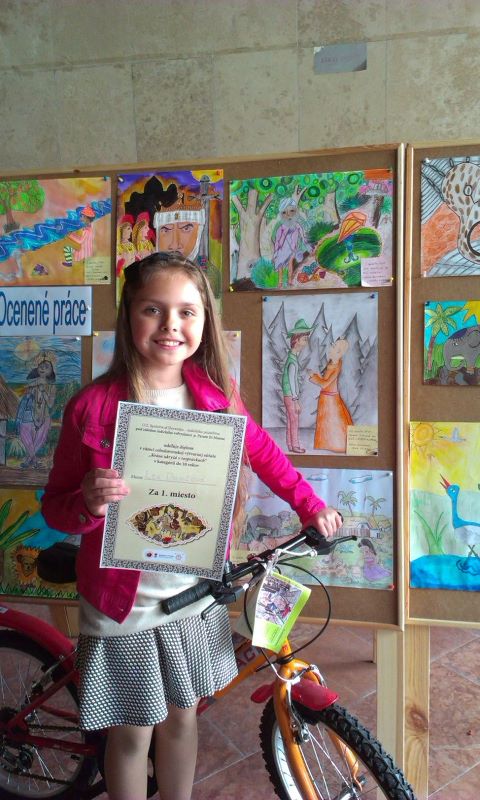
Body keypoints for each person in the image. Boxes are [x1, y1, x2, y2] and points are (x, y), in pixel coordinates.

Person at [41, 251, 341, 800]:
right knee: (132, 734)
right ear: (129, 315)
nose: (170, 325)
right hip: (123, 602)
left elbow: (266, 455)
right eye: (152, 309)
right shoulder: (92, 407)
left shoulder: (216, 397)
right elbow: (55, 508)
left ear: (205, 320)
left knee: (182, 717)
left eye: (186, 311)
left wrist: (309, 504)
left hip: (195, 592)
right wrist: (87, 502)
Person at [308, 337, 353, 453]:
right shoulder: (333, 362)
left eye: (334, 346)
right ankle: (326, 445)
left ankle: (336, 445)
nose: (331, 348)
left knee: (334, 422)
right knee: (326, 423)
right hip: (326, 397)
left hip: (330, 399)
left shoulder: (336, 365)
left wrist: (313, 377)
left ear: (339, 352)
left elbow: (324, 384)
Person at [16, 353, 56, 469]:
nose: (43, 368)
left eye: (46, 367)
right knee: (25, 435)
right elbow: (22, 393)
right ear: (37, 369)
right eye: (41, 366)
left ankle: (29, 460)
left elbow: (50, 404)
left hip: (44, 417)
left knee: (39, 439)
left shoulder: (52, 387)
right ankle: (34, 460)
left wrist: (43, 391)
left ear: (51, 371)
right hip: (29, 416)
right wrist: (34, 385)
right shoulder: (31, 384)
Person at [281, 318, 314, 453]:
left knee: (290, 420)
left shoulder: (292, 358)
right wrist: (296, 401)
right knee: (294, 420)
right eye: (304, 339)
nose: (306, 342)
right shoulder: (292, 361)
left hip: (288, 395)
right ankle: (295, 446)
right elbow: (291, 381)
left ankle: (290, 445)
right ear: (296, 340)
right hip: (290, 395)